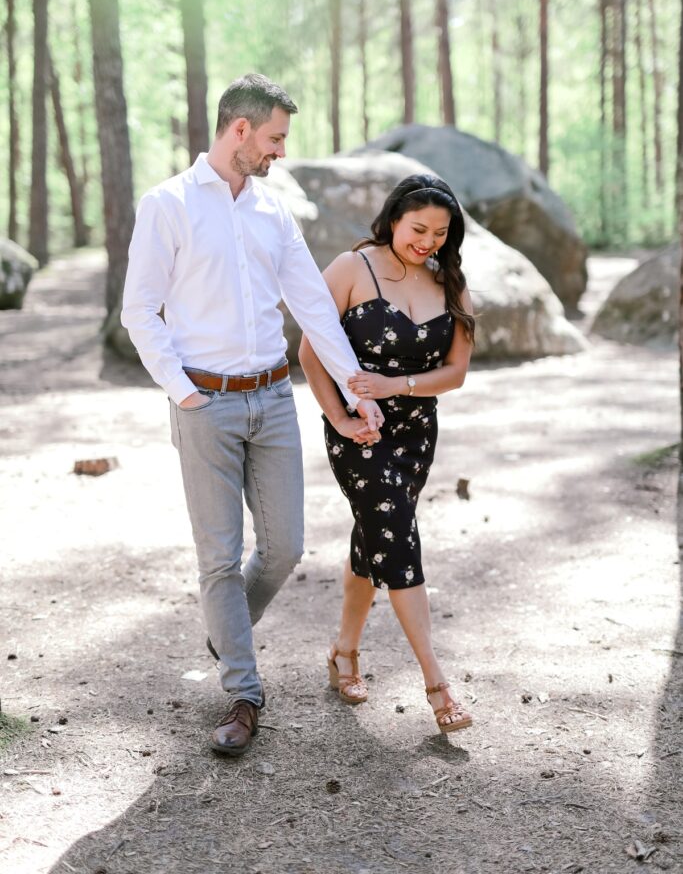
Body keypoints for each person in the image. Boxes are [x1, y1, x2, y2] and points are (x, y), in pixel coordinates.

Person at [121, 74, 383, 757]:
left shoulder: (272, 212)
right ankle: (243, 693)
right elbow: (138, 311)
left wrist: (360, 392)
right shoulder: (168, 205)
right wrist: (183, 392)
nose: (278, 152)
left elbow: (313, 308)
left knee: (286, 546)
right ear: (239, 130)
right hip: (203, 403)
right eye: (273, 138)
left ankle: (225, 627)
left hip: (271, 398)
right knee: (220, 558)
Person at [298, 174, 475, 734]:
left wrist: (395, 387)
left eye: (440, 234)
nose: (427, 242)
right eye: (418, 229)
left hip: (416, 432)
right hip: (359, 434)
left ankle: (343, 653)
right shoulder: (353, 268)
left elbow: (456, 373)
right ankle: (437, 684)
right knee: (397, 536)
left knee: (376, 536)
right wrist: (341, 419)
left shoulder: (449, 282)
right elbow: (309, 350)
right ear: (394, 218)